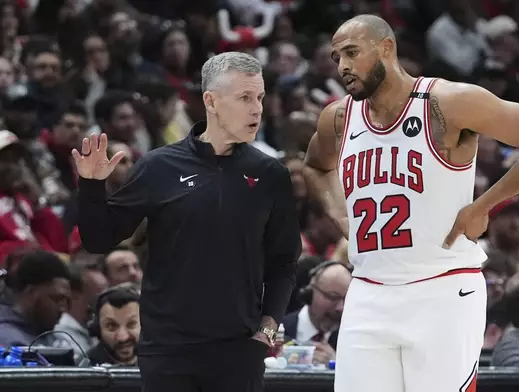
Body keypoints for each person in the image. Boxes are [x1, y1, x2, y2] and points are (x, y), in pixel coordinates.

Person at [303, 14, 519, 392]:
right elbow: (315, 167)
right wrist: (342, 216)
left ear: (387, 48)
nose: (343, 66)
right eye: (337, 57)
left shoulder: (448, 102)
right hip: (368, 290)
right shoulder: (337, 118)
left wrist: (484, 205)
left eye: (352, 52)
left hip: (442, 290)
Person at [73, 52, 301, 392]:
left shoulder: (270, 174)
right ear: (211, 101)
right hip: (168, 352)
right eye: (244, 98)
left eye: (260, 97)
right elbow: (98, 240)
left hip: (239, 352)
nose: (257, 109)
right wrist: (91, 187)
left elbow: (283, 263)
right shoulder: (159, 167)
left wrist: (266, 331)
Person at [0, 250, 71, 347]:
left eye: (66, 300)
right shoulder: (8, 343)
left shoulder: (57, 339)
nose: (63, 309)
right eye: (56, 299)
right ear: (31, 292)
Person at [86, 284, 141, 366]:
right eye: (112, 326)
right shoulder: (83, 367)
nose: (123, 337)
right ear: (97, 329)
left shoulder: (162, 363)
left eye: (131, 324)